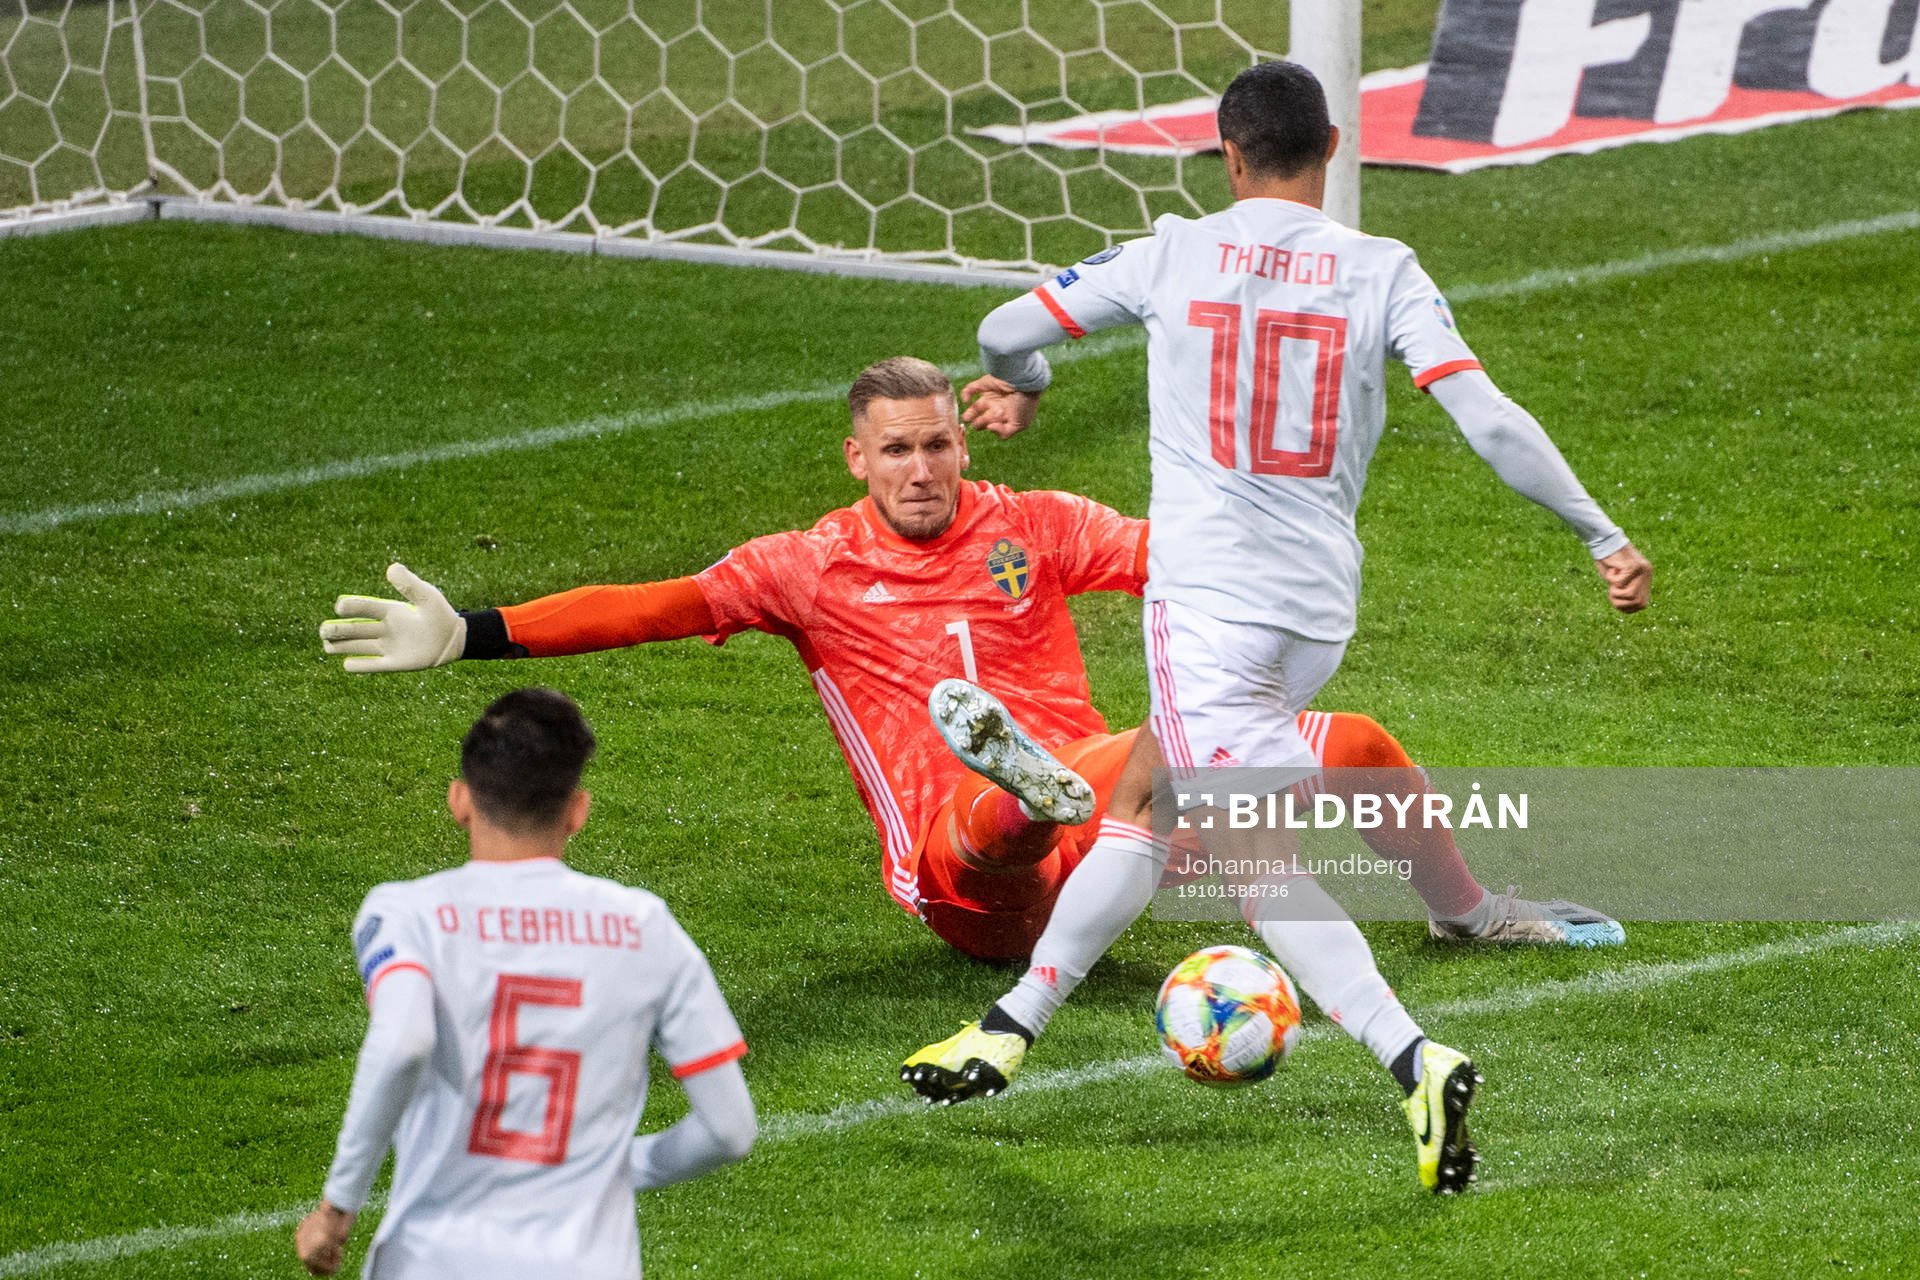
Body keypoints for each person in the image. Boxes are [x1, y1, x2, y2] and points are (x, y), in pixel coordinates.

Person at [902, 61, 1652, 1194]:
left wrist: (1030, 380)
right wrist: (1601, 533)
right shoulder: (1382, 268)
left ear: (1228, 154)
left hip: (1207, 606)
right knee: (1149, 794)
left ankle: (1415, 1052)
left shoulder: (1170, 251)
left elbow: (1003, 325)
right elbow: (1489, 418)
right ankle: (1008, 1023)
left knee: (1256, 869)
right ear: (1337, 145)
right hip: (1315, 609)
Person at [318, 358, 1612, 967]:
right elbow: (655, 606)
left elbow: (1174, 555)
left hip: (1114, 830)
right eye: (898, 452)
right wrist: (473, 631)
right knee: (993, 818)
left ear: (961, 442)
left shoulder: (1031, 525)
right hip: (960, 878)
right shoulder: (803, 566)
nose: (926, 470)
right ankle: (1034, 786)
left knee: (1359, 739)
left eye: (940, 445)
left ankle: (1470, 908)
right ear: (857, 461)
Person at [293, 688, 755, 1278]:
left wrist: (338, 1207)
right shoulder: (646, 927)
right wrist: (619, 1166)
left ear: (460, 801)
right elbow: (730, 1130)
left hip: (433, 1261)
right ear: (577, 811)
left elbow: (404, 1040)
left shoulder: (406, 914)